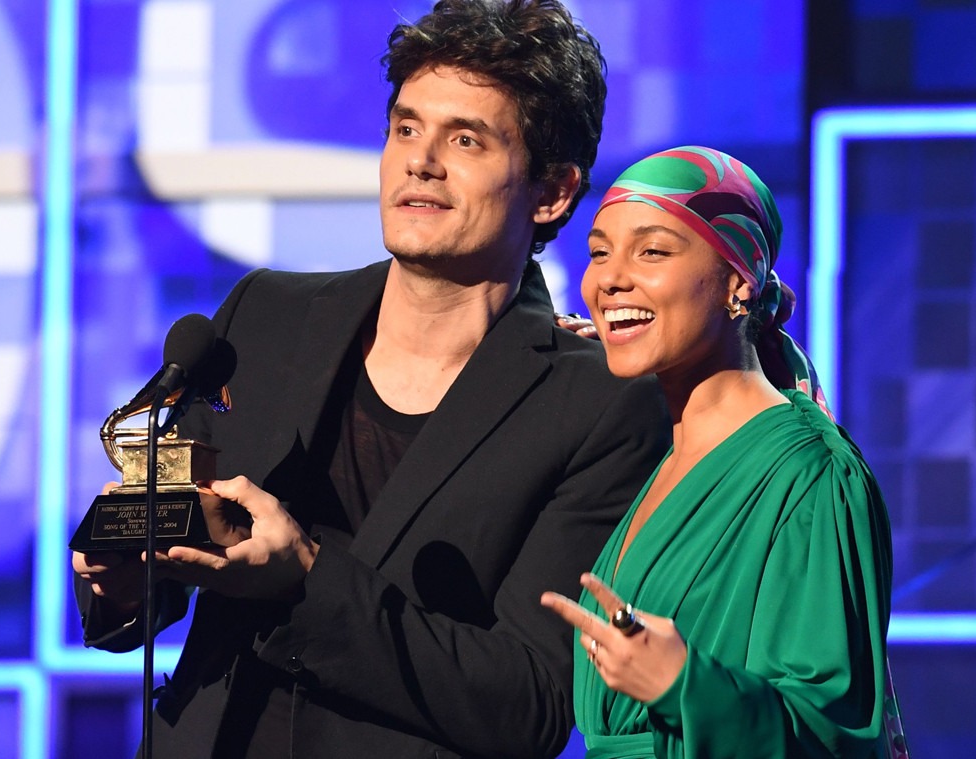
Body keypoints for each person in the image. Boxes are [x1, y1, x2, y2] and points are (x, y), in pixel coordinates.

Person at [72, 1, 670, 757]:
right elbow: (167, 570)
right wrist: (120, 582)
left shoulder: (599, 405)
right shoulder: (264, 315)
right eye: (407, 128)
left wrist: (306, 580)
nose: (421, 160)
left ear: (551, 192)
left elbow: (531, 703)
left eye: (465, 139)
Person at [541, 146, 893, 758]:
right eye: (600, 251)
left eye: (651, 251)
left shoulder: (809, 475)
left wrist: (685, 686)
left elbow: (833, 735)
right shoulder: (662, 460)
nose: (610, 279)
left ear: (739, 281)